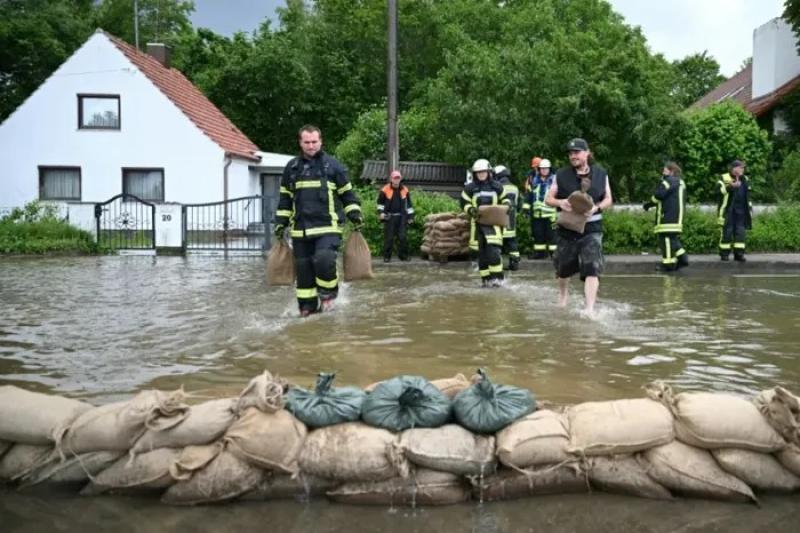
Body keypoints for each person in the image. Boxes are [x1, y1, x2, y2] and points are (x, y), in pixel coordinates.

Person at [273, 125, 362, 317]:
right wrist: (280, 221)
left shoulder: (333, 166)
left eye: (314, 142)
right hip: (300, 231)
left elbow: (348, 194)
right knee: (304, 274)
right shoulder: (292, 168)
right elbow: (285, 199)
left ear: (321, 142)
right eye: (307, 142)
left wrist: (354, 213)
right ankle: (307, 308)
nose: (311, 146)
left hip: (328, 228)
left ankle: (329, 296)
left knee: (324, 260)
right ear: (300, 143)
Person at [545, 138, 613, 313]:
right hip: (567, 228)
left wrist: (597, 207)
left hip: (592, 229)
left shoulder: (601, 174)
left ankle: (589, 308)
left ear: (587, 153)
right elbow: (548, 199)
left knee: (592, 266)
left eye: (576, 152)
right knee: (563, 268)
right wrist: (560, 202)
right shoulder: (560, 175)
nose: (572, 156)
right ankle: (563, 295)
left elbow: (608, 199)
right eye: (570, 153)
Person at [461, 159, 510, 287]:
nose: (481, 174)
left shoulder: (497, 186)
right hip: (477, 226)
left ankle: (499, 280)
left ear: (489, 172)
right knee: (482, 257)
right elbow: (464, 203)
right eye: (478, 172)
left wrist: (507, 206)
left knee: (493, 254)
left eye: (483, 172)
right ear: (475, 173)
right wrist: (470, 209)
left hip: (493, 226)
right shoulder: (470, 188)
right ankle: (486, 281)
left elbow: (506, 200)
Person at [644, 162, 688, 271]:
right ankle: (683, 258)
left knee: (666, 239)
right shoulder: (681, 182)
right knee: (672, 239)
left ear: (671, 171)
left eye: (665, 170)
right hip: (678, 216)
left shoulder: (668, 181)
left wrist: (648, 204)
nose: (663, 172)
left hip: (667, 216)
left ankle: (668, 265)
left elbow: (658, 195)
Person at [717, 160, 752, 262]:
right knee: (727, 232)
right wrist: (730, 186)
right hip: (728, 210)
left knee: (740, 233)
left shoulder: (745, 179)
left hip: (741, 211)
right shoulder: (724, 178)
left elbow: (748, 196)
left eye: (743, 168)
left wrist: (749, 210)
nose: (743, 169)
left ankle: (739, 254)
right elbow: (718, 191)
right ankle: (724, 254)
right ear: (734, 168)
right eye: (741, 168)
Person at [377, 170, 414, 262]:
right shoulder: (385, 189)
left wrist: (410, 217)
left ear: (400, 179)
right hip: (389, 217)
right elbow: (380, 203)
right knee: (389, 238)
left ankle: (403, 256)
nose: (396, 180)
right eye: (395, 178)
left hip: (402, 217)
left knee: (402, 237)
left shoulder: (405, 189)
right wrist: (381, 212)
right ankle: (387, 257)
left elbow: (409, 205)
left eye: (398, 178)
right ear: (391, 179)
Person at [523, 158, 557, 259]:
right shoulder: (533, 181)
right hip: (537, 214)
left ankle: (554, 254)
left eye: (546, 169)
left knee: (552, 236)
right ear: (539, 169)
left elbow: (560, 196)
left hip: (551, 215)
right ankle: (540, 253)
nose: (544, 170)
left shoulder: (554, 181)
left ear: (549, 169)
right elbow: (529, 196)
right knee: (538, 235)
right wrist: (526, 209)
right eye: (542, 169)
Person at [493, 165, 521, 270]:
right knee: (512, 242)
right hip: (512, 219)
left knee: (497, 242)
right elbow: (518, 204)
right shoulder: (515, 187)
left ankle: (497, 264)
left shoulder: (497, 187)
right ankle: (514, 263)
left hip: (500, 218)